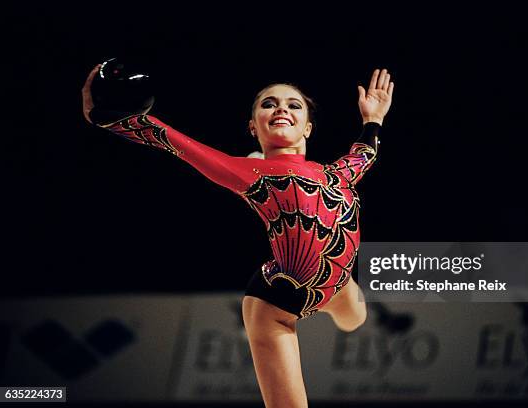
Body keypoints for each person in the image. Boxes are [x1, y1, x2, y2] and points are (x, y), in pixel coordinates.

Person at [82, 66, 394, 407]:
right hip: (275, 301)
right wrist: (106, 118)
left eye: (293, 105)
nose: (281, 109)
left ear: (308, 126)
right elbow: (172, 141)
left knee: (356, 319)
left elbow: (365, 154)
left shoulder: (337, 174)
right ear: (252, 126)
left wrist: (373, 119)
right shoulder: (247, 172)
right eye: (268, 104)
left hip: (339, 286)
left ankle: (345, 296)